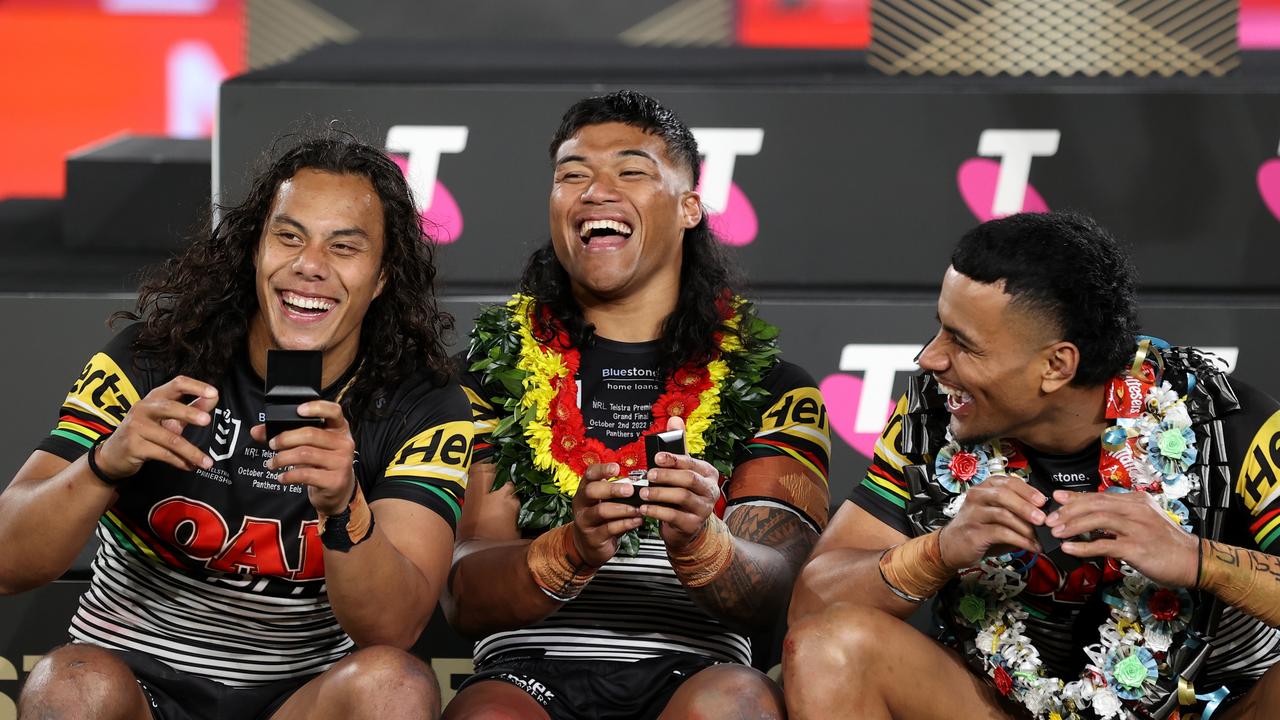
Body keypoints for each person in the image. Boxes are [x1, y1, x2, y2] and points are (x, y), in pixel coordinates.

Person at [0, 133, 474, 719]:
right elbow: (5, 562)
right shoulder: (155, 359)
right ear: (255, 249)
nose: (309, 266)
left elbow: (394, 628)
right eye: (289, 236)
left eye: (344, 248)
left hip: (296, 700)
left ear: (381, 278)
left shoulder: (422, 406)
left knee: (395, 686)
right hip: (135, 687)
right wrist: (106, 462)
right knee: (66, 682)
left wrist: (345, 504)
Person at [784, 211, 1280, 720]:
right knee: (830, 647)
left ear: (1056, 365)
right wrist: (939, 550)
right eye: (941, 331)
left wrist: (1199, 560)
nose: (930, 358)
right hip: (998, 708)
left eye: (964, 344)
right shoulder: (934, 416)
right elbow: (812, 607)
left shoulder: (1225, 421)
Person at [443, 89, 831, 720]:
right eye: (573, 174)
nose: (596, 191)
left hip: (698, 670)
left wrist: (704, 543)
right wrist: (571, 548)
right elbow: (464, 596)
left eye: (631, 171)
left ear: (688, 208)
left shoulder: (773, 387)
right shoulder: (488, 377)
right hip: (526, 672)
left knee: (734, 704)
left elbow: (779, 593)